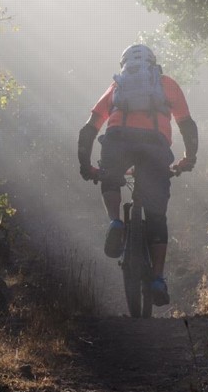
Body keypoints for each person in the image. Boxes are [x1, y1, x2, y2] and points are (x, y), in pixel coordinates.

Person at [76, 44, 198, 306]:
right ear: (154, 64)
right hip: (155, 146)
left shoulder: (118, 86)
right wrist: (189, 158)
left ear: (124, 65)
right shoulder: (166, 84)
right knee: (156, 215)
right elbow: (187, 124)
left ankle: (115, 222)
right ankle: (156, 279)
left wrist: (86, 165)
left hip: (118, 140)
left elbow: (88, 129)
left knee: (110, 176)